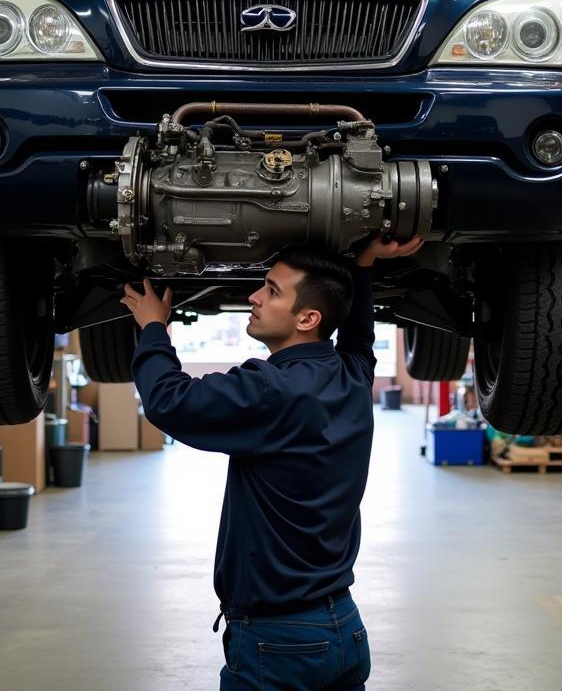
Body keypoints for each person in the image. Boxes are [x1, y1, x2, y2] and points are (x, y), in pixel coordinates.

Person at [120, 233, 423, 690]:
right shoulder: (354, 376)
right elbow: (359, 334)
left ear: (308, 318)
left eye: (272, 291)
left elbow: (167, 401)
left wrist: (152, 328)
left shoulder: (271, 390)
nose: (254, 296)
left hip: (279, 643)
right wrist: (363, 261)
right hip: (342, 624)